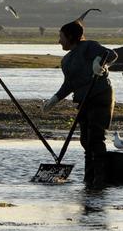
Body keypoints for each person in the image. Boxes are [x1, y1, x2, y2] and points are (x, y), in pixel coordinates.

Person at [42, 21, 118, 188]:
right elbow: (69, 85)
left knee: (96, 139)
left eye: (61, 37)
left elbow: (111, 55)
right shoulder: (66, 60)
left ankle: (100, 180)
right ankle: (88, 179)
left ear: (70, 37)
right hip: (83, 101)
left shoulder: (89, 46)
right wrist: (54, 100)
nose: (59, 41)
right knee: (85, 141)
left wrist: (99, 62)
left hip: (100, 97)